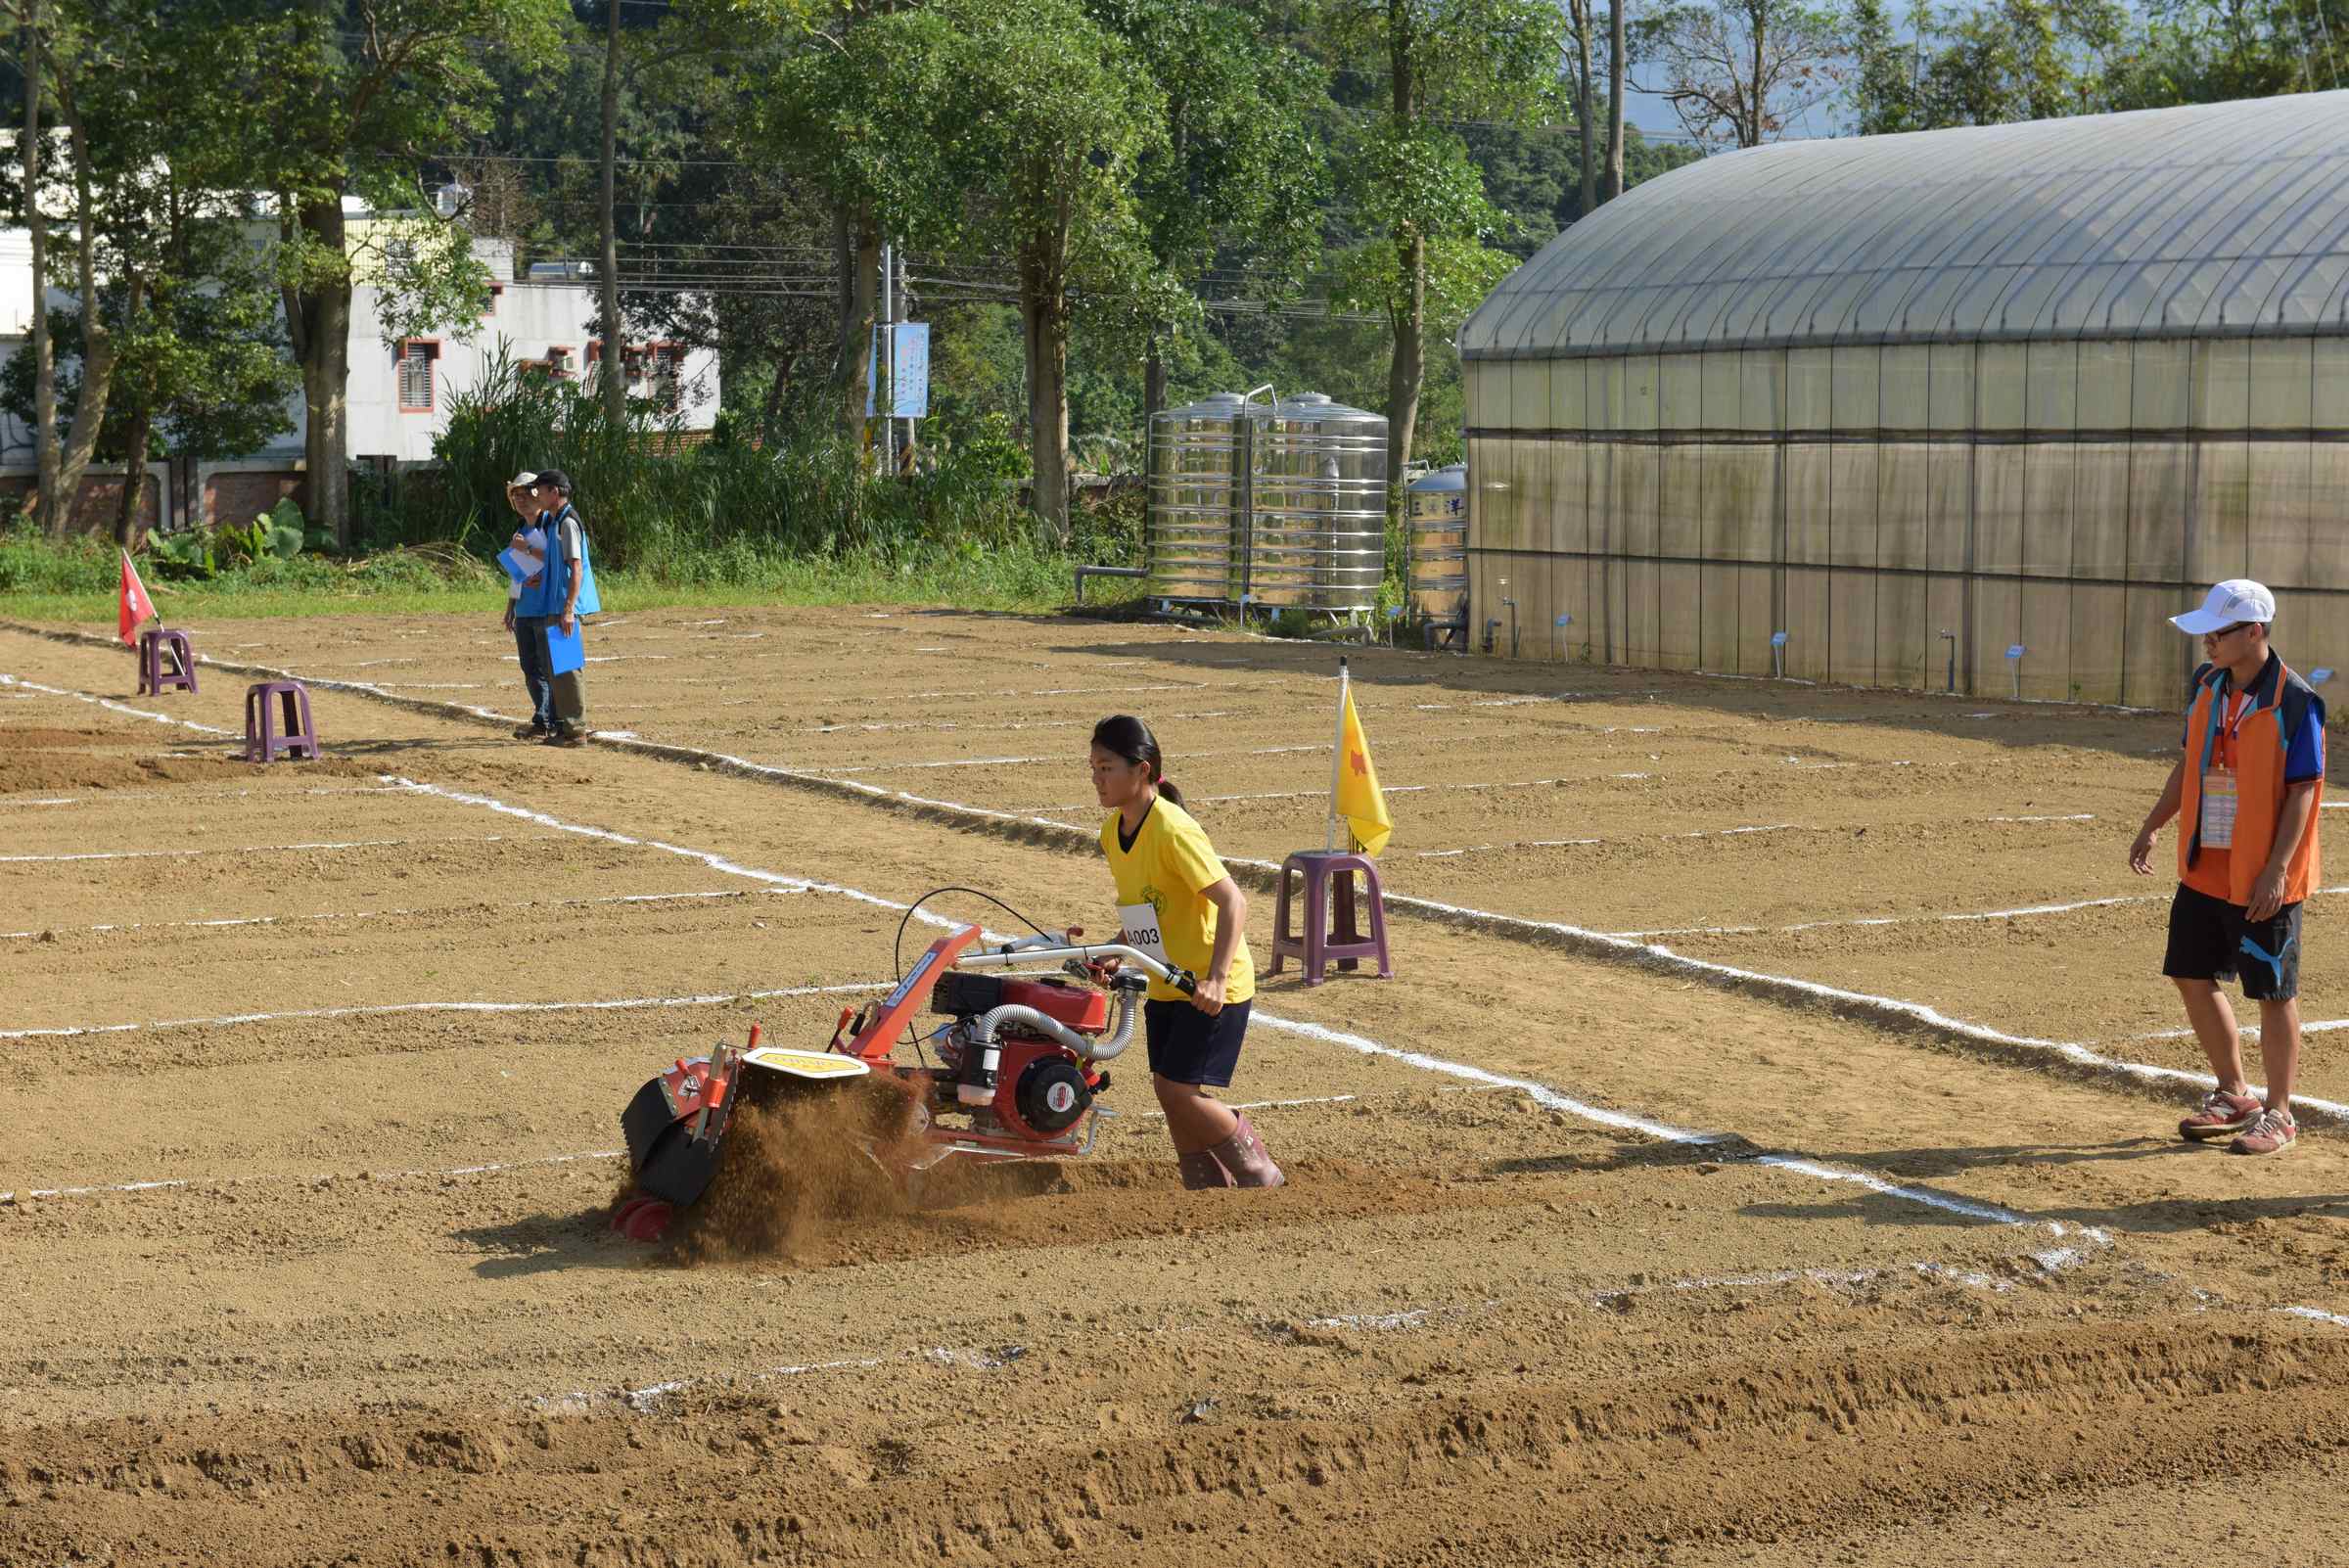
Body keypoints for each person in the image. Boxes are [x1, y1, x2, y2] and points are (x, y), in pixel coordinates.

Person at [2130, 578, 2326, 1156]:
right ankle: (2234, 1093)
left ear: (2254, 632)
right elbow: (2191, 760)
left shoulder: (2296, 701)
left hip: (2264, 875)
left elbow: (2304, 791)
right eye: (2206, 633)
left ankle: (2281, 1114)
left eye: (2218, 633)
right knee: (2190, 974)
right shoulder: (2206, 686)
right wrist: (2155, 822)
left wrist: (2277, 869)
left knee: (2273, 993)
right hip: (2205, 866)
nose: (2208, 643)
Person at [1089, 715, 1282, 1189]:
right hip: (1167, 979)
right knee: (1167, 1089)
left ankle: (1258, 1169)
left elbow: (1233, 901)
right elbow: (1146, 907)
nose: (1097, 779)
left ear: (1143, 769)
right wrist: (1114, 950)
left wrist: (1216, 979)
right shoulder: (1113, 832)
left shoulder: (1174, 831)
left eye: (1107, 767)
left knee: (1179, 1091)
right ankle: (1204, 1182)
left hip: (1210, 983)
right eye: (1093, 768)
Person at [512, 470, 600, 748]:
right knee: (555, 669)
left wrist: (569, 609)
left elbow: (576, 568)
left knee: (568, 666)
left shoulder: (567, 524)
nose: (535, 495)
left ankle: (576, 731)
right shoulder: (553, 521)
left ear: (555, 492)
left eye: (540, 490)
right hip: (553, 602)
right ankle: (565, 728)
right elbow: (544, 553)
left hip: (563, 603)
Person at [499, 472, 553, 739]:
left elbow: (564, 562)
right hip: (526, 610)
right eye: (515, 495)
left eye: (524, 493)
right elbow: (517, 574)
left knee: (558, 667)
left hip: (551, 608)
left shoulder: (552, 525)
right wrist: (511, 606)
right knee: (531, 668)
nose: (520, 499)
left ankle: (560, 722)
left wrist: (528, 551)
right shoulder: (520, 532)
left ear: (538, 494)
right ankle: (543, 720)